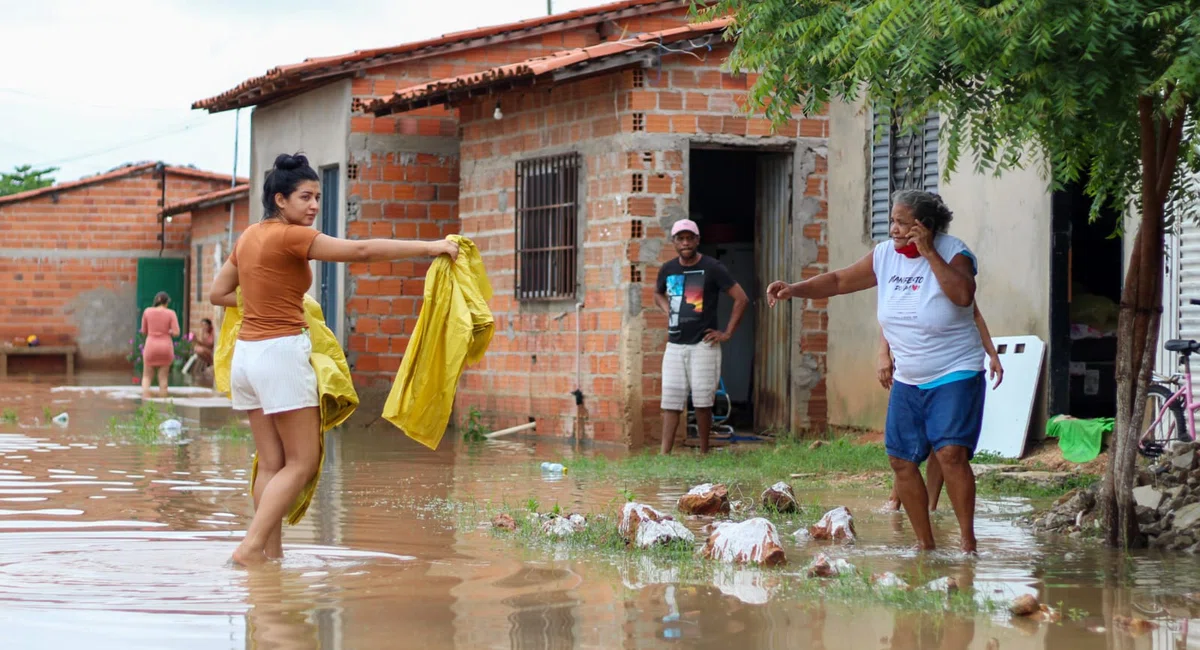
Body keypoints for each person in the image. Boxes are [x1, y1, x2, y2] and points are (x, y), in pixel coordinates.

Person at [209, 153, 458, 567]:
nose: (313, 206)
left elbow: (218, 294)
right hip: (281, 354)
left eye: (317, 198)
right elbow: (359, 250)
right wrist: (431, 246)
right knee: (303, 462)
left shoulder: (249, 236)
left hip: (247, 359)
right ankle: (250, 547)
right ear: (279, 199)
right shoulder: (291, 237)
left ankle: (270, 556)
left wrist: (267, 298)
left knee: (271, 463)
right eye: (305, 197)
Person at [767, 189, 985, 553]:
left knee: (950, 454)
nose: (893, 230)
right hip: (909, 375)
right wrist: (794, 289)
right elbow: (838, 281)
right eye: (893, 221)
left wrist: (929, 252)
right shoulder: (885, 256)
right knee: (900, 459)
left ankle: (967, 544)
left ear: (925, 226)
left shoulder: (955, 253)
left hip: (954, 370)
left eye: (902, 222)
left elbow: (963, 296)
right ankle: (925, 545)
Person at [882, 304, 1003, 512]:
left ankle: (930, 505)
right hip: (913, 370)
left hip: (951, 371)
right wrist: (883, 353)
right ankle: (896, 499)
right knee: (906, 446)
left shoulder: (956, 282)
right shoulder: (902, 281)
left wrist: (992, 354)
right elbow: (889, 317)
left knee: (943, 445)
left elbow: (974, 314)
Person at [654, 218, 749, 454]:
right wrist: (669, 311)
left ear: (697, 240)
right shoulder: (668, 269)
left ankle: (704, 453)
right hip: (675, 345)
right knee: (671, 402)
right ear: (674, 242)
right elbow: (658, 294)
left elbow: (741, 298)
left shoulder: (712, 267)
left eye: (689, 238)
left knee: (703, 402)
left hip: (703, 345)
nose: (685, 243)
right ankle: (664, 454)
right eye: (680, 238)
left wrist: (726, 333)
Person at [140, 292, 180, 399]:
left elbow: (144, 331)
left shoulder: (147, 312)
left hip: (151, 345)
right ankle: (164, 405)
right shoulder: (171, 313)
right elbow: (176, 332)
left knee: (147, 376)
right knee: (163, 378)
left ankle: (145, 403)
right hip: (165, 347)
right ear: (166, 302)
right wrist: (168, 331)